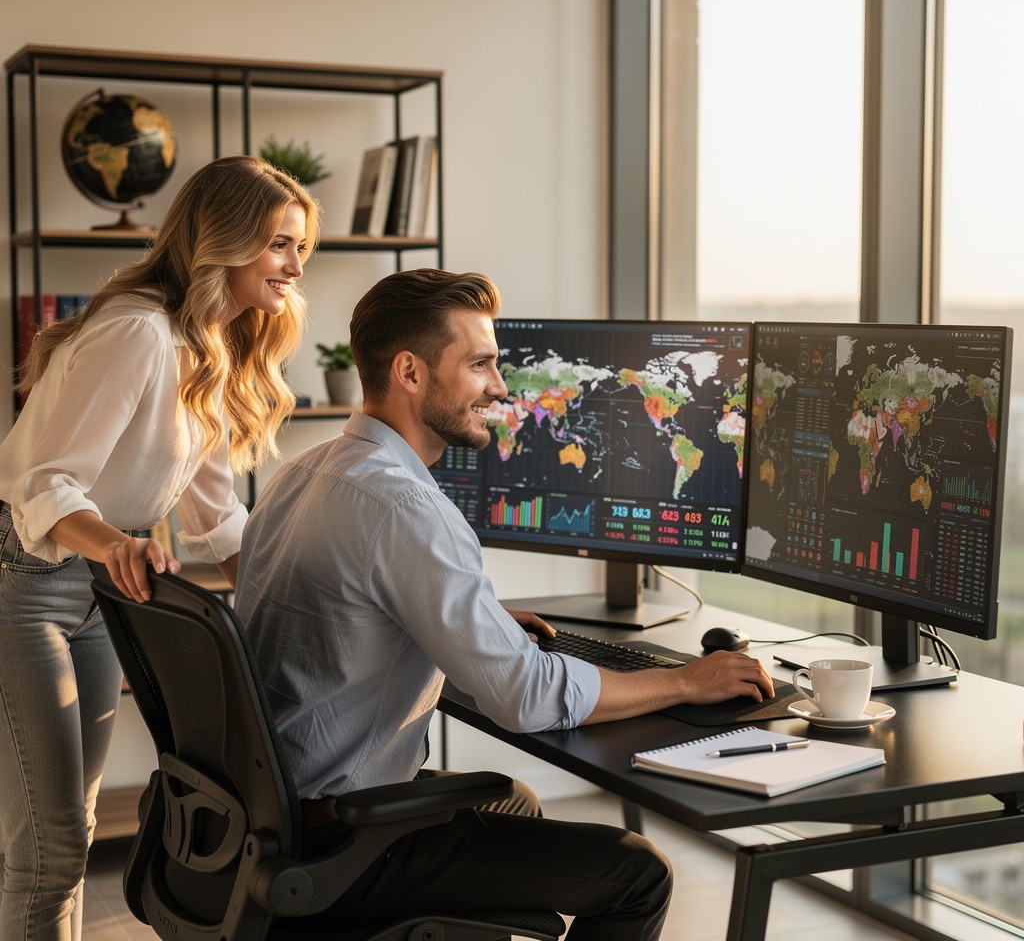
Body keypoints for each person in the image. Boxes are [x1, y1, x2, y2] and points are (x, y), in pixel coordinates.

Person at [234, 267, 774, 940]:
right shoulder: (406, 506)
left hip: (268, 818)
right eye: (482, 364)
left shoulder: (302, 472)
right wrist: (684, 681)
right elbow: (522, 698)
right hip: (344, 843)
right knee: (637, 874)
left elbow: (348, 613)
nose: (499, 386)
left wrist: (473, 625)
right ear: (410, 371)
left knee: (511, 800)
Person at [0, 154, 321, 941]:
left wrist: (291, 604)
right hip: (27, 585)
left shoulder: (203, 346)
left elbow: (216, 511)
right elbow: (39, 479)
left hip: (102, 590)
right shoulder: (138, 333)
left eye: (300, 250)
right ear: (227, 239)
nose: (293, 267)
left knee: (68, 830)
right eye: (280, 245)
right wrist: (117, 544)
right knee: (49, 849)